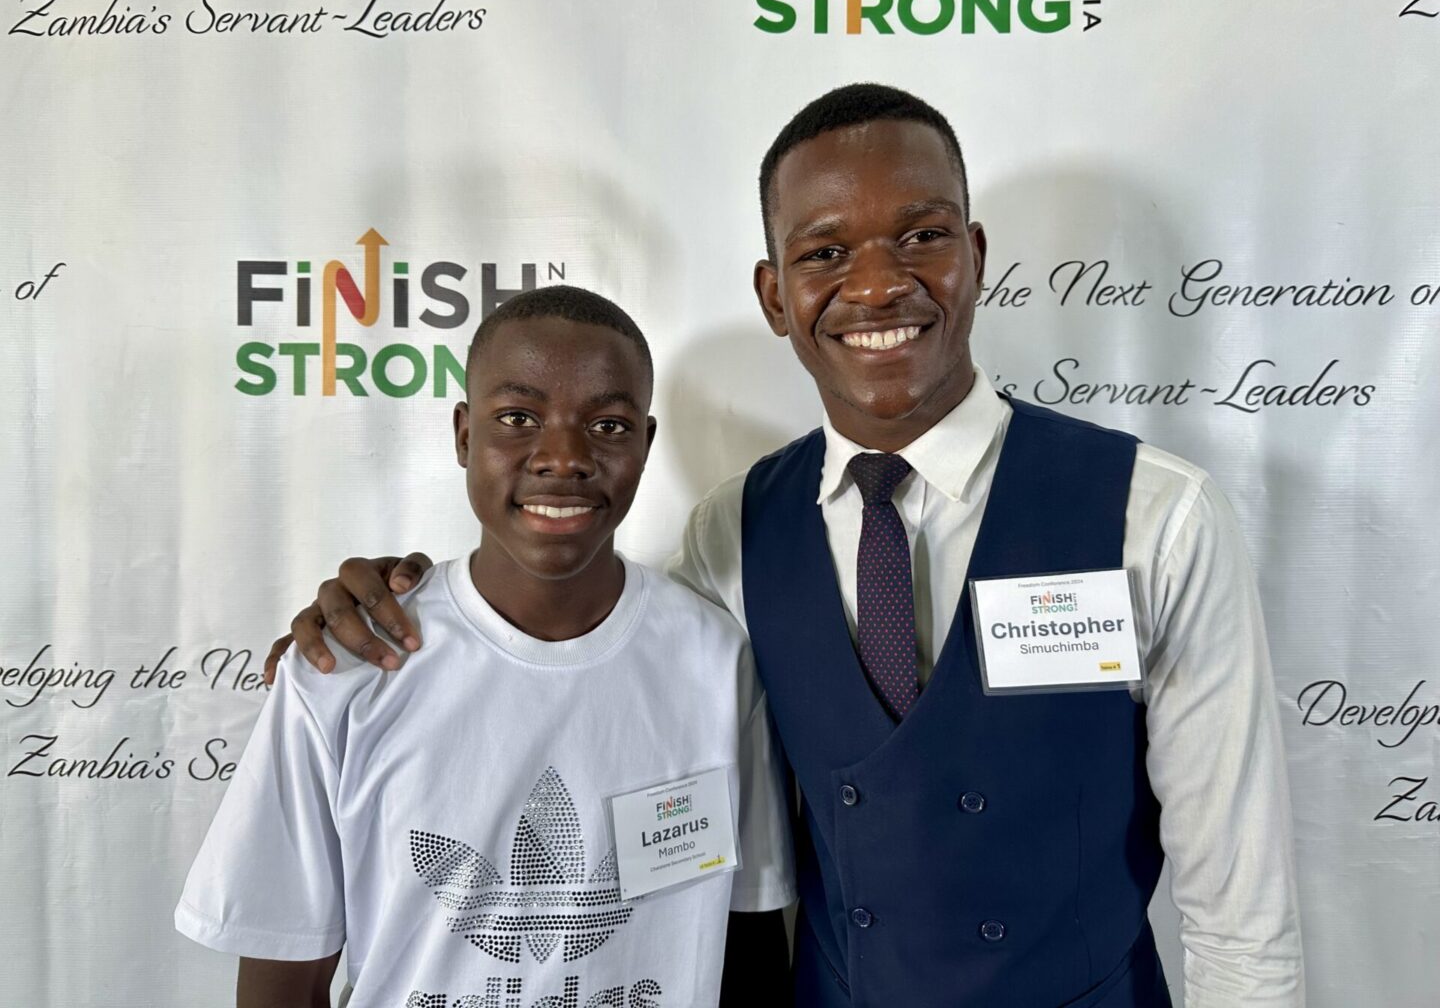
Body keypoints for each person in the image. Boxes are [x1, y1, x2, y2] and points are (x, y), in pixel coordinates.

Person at [270, 85, 1304, 1007]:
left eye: (922, 236)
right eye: (824, 254)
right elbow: (580, 668)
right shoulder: (733, 532)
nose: (878, 285)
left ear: (976, 257)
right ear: (776, 296)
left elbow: (1241, 913)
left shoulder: (1156, 517)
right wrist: (392, 611)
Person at [177, 287, 796, 1007]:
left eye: (607, 425)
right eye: (518, 418)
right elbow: (283, 978)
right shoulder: (346, 666)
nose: (563, 457)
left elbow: (748, 941)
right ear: (464, 435)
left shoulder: (715, 661)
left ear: (645, 444)